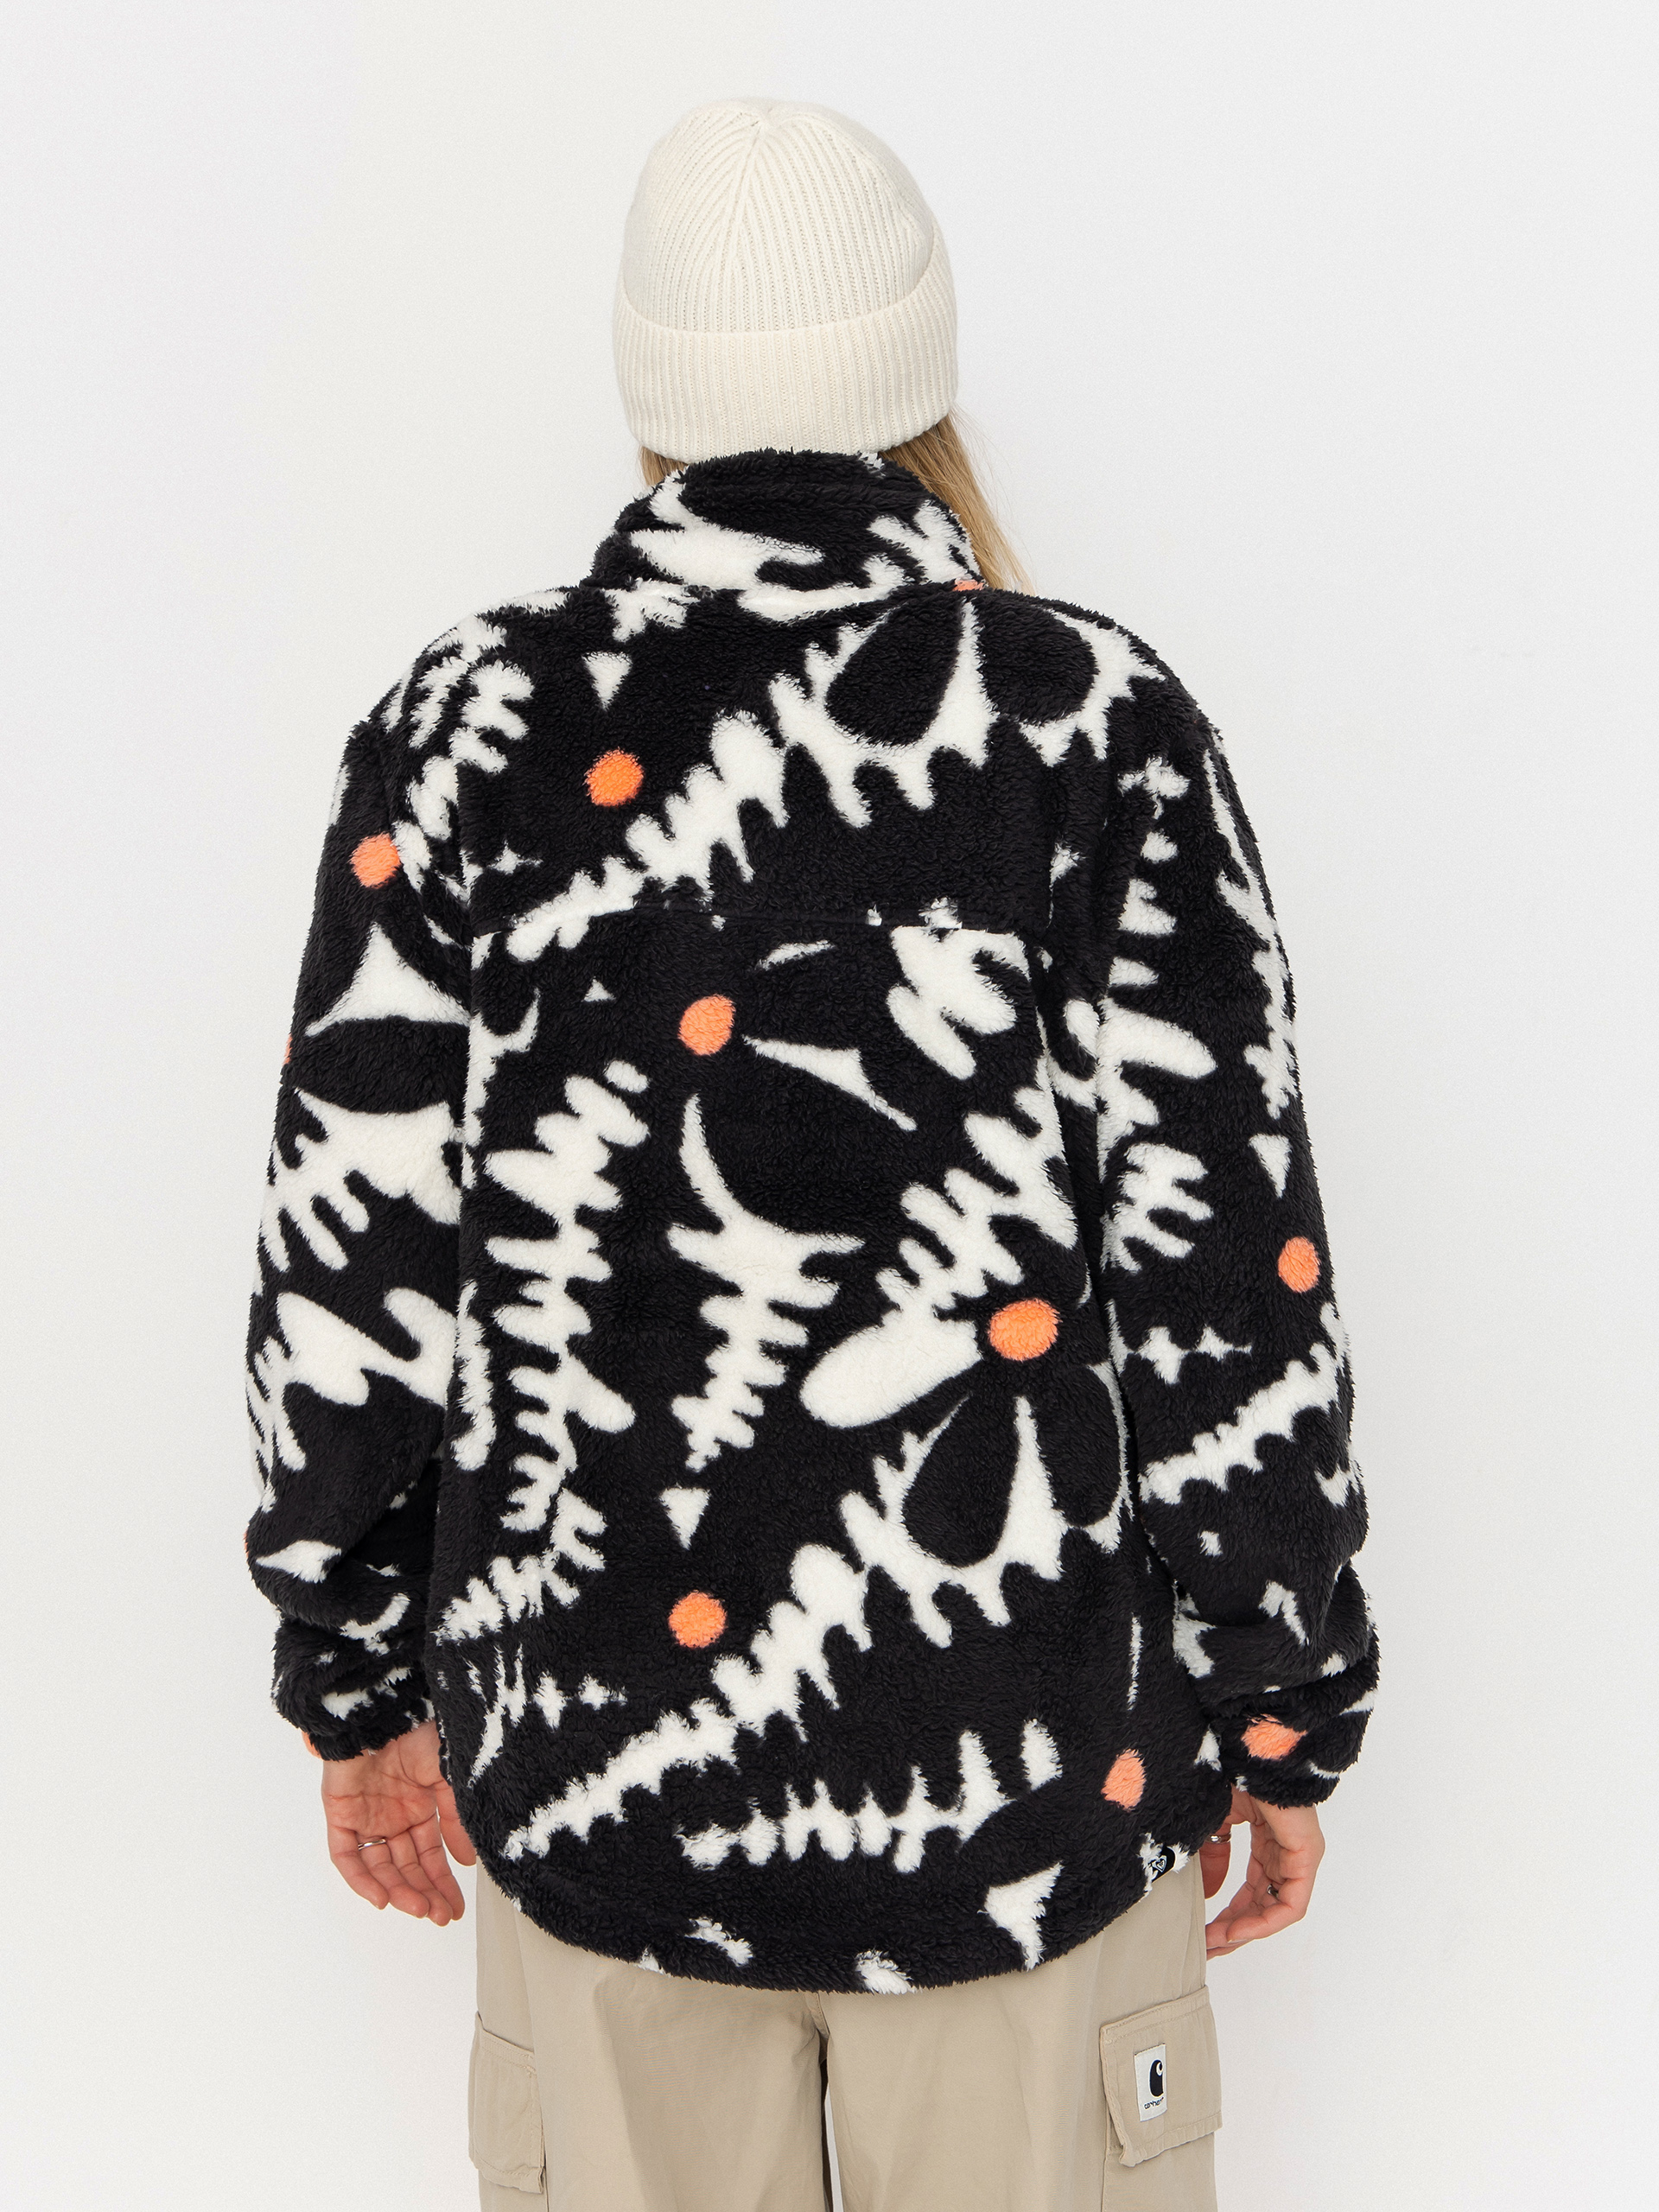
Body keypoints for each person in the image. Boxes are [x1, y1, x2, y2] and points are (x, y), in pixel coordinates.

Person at [245, 97, 1376, 2212]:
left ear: (649, 386)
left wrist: (353, 1671)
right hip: (1034, 1786)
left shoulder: (465, 731)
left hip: (598, 1792)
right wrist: (1283, 1692)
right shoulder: (1090, 725)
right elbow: (1227, 1276)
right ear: (917, 373)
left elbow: (354, 1260)